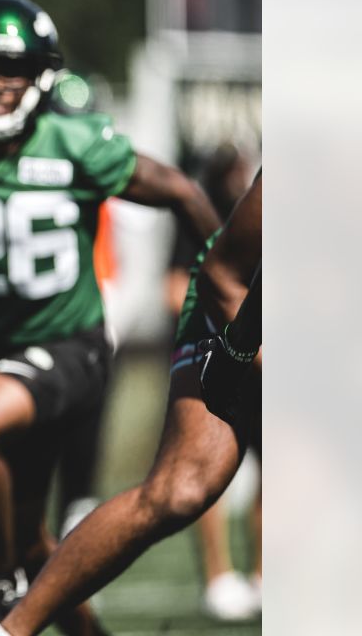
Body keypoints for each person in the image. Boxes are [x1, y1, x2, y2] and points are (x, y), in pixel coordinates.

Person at [0, 0, 221, 634]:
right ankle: (33, 589)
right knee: (36, 541)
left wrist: (220, 288)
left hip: (69, 344)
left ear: (40, 74)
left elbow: (180, 190)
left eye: (12, 69)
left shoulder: (74, 141)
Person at [0, 171, 261, 636]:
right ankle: (10, 630)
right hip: (236, 317)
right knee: (180, 488)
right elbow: (222, 271)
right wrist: (246, 355)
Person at [163, 145, 261, 621]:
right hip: (214, 345)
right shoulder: (215, 224)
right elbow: (209, 280)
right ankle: (219, 577)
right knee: (188, 484)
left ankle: (265, 575)